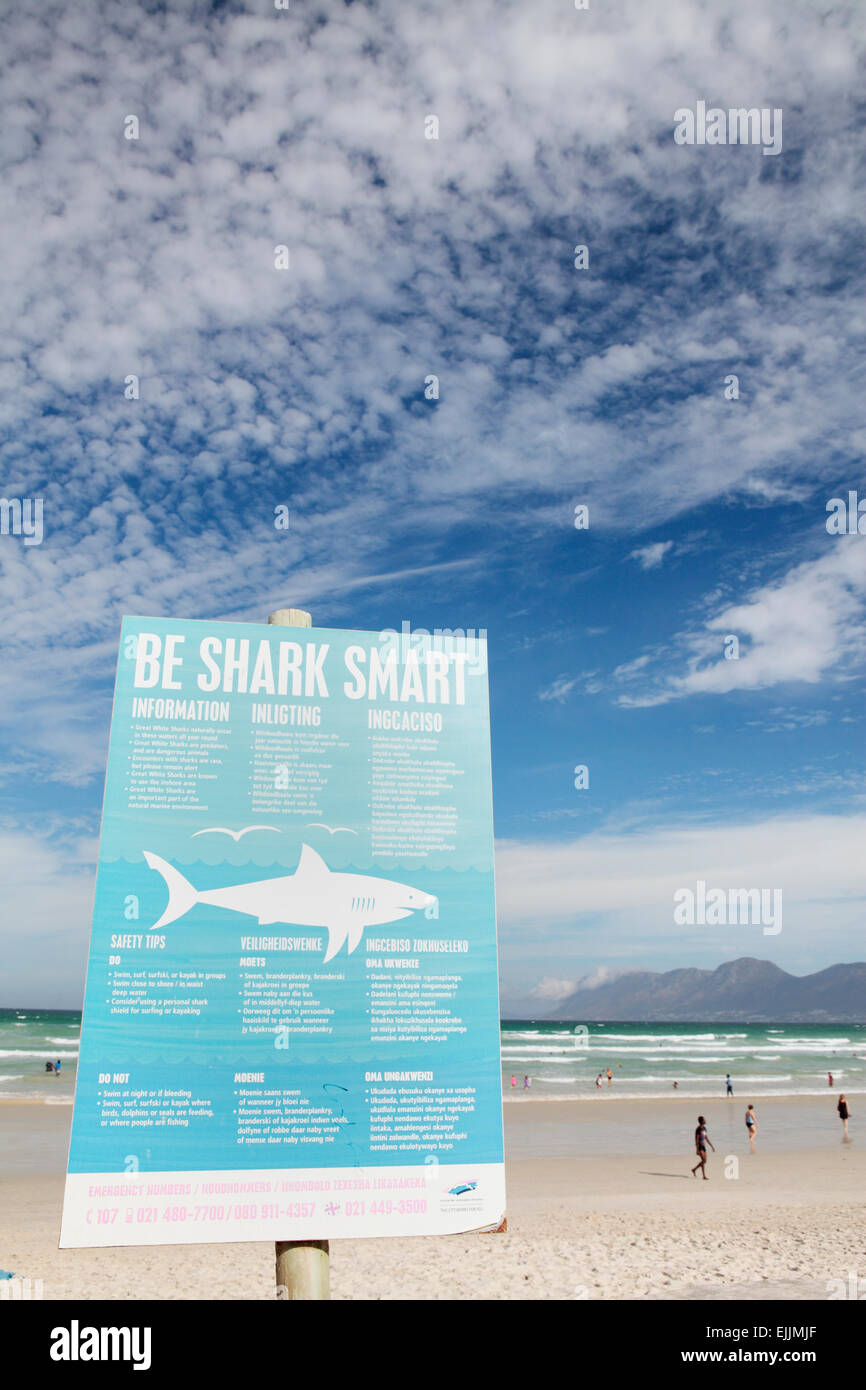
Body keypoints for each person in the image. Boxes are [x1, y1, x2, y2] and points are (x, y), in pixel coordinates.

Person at [691, 1115, 715, 1179]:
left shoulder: (704, 1128)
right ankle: (703, 1176)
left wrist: (711, 1146)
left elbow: (706, 1138)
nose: (705, 1121)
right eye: (704, 1120)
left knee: (704, 1161)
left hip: (703, 1146)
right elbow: (696, 1139)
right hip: (700, 1146)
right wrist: (697, 1149)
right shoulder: (698, 1129)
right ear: (701, 1121)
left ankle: (694, 1169)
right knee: (703, 1160)